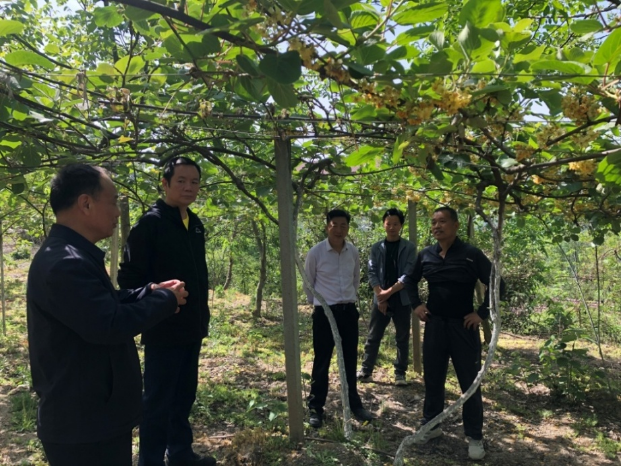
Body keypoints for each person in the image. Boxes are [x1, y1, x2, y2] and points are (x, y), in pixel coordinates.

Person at [26, 164, 188, 466]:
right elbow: (109, 324)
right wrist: (165, 300)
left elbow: (101, 304)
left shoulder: (71, 255)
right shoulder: (65, 262)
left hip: (93, 415)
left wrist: (149, 291)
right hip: (84, 425)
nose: (117, 212)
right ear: (86, 204)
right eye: (113, 202)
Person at [117, 157, 215, 466]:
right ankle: (150, 460)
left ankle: (181, 453)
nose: (189, 187)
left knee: (184, 395)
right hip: (163, 326)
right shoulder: (150, 224)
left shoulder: (194, 223)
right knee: (158, 401)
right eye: (181, 181)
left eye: (194, 182)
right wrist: (156, 296)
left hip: (192, 325)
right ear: (165, 183)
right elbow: (129, 279)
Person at [404, 206, 502, 461]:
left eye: (442, 221)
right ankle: (431, 425)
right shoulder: (426, 255)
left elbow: (497, 283)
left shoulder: (471, 254)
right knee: (433, 378)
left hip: (464, 328)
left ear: (456, 225)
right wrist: (416, 305)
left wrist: (482, 313)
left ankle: (474, 437)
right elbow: (410, 280)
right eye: (433, 222)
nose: (437, 226)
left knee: (470, 382)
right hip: (435, 325)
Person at [304, 209, 373, 428]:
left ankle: (354, 404)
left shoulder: (352, 251)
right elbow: (308, 283)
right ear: (328, 226)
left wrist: (347, 301)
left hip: (348, 312)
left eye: (344, 225)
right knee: (322, 360)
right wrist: (320, 305)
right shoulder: (316, 252)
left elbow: (355, 279)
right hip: (325, 312)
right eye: (335, 225)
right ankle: (315, 408)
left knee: (350, 360)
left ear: (348, 228)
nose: (339, 229)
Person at [357, 208, 416, 386]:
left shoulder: (409, 247)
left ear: (401, 225)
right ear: (383, 224)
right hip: (380, 298)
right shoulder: (377, 247)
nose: (391, 227)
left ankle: (400, 374)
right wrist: (380, 296)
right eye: (388, 223)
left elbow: (408, 274)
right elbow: (372, 271)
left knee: (402, 337)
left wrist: (386, 294)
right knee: (374, 335)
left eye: (395, 224)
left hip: (401, 299)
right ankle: (366, 370)